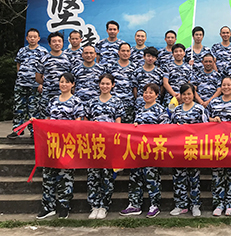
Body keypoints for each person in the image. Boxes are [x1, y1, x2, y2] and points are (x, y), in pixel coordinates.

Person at [36, 73, 84, 220]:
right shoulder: (52, 100)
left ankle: (64, 206)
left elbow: (78, 123)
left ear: (72, 84)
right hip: (52, 144)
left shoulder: (76, 101)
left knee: (66, 175)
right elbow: (47, 120)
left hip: (67, 144)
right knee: (48, 175)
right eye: (61, 81)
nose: (64, 84)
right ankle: (48, 206)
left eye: (67, 82)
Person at [120, 83, 167, 218]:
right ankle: (134, 204)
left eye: (151, 92)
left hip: (152, 149)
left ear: (157, 95)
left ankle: (154, 204)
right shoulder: (140, 109)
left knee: (152, 177)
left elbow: (163, 129)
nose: (147, 95)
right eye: (145, 92)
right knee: (135, 177)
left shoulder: (160, 110)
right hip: (138, 149)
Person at [206, 77, 231, 216]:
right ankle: (218, 204)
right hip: (217, 144)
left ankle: (230, 204)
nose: (226, 87)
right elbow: (206, 120)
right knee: (217, 175)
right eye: (224, 85)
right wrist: (213, 120)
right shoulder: (214, 103)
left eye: (229, 85)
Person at [86, 74, 123, 219]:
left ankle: (104, 206)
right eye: (102, 83)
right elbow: (85, 123)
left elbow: (118, 123)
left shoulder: (117, 102)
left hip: (109, 143)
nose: (105, 86)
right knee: (93, 176)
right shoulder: (91, 102)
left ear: (113, 85)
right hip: (94, 144)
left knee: (107, 176)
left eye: (108, 84)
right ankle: (94, 205)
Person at [170, 83, 208, 217]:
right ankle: (180, 205)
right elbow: (170, 127)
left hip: (193, 149)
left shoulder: (199, 109)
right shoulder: (176, 110)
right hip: (179, 149)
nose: (186, 97)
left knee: (194, 178)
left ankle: (195, 205)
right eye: (184, 94)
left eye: (189, 94)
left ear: (193, 95)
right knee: (179, 177)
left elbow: (206, 128)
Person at [8, 28, 47, 139]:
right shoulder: (22, 51)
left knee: (34, 109)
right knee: (18, 107)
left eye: (35, 37)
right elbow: (18, 64)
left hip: (35, 85)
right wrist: (20, 76)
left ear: (38, 38)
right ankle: (17, 129)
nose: (32, 39)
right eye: (30, 37)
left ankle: (34, 131)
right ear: (27, 38)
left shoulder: (43, 51)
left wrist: (41, 83)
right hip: (21, 84)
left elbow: (45, 69)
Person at [35, 32, 73, 119]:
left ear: (63, 43)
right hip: (47, 95)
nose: (57, 43)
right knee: (45, 118)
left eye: (59, 41)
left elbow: (72, 77)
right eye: (54, 41)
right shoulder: (43, 59)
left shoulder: (69, 58)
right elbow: (38, 77)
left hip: (64, 95)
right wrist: (48, 84)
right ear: (49, 44)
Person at [105, 43, 137, 123]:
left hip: (128, 104)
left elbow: (135, 87)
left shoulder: (135, 67)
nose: (125, 53)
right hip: (113, 103)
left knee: (127, 128)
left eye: (127, 51)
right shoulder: (111, 66)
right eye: (123, 51)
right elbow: (106, 83)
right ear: (118, 52)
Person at [73, 45, 105, 117]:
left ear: (95, 54)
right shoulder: (76, 70)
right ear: (82, 55)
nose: (89, 55)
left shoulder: (101, 69)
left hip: (96, 105)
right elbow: (72, 87)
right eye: (86, 53)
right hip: (80, 105)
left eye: (91, 53)